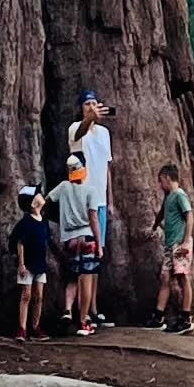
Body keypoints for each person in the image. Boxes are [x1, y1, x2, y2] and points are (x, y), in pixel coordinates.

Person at [49, 148, 102, 333]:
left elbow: (47, 201)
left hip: (70, 240)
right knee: (86, 280)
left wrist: (60, 219)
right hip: (87, 238)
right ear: (83, 169)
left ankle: (68, 311)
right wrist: (99, 243)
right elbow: (93, 217)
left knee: (72, 277)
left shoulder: (63, 187)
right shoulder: (90, 191)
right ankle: (83, 323)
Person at [74, 91, 114, 265]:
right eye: (87, 104)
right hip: (84, 200)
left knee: (98, 252)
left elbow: (107, 167)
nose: (91, 107)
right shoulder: (76, 128)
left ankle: (92, 293)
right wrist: (89, 119)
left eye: (94, 104)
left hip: (101, 201)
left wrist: (110, 200)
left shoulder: (105, 133)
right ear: (81, 109)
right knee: (86, 253)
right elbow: (79, 133)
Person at [156, 167, 194, 331]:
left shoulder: (180, 194)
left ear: (167, 178)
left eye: (160, 181)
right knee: (165, 277)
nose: (160, 185)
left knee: (182, 277)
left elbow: (189, 215)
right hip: (170, 244)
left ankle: (186, 318)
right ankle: (158, 316)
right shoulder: (169, 197)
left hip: (180, 244)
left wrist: (186, 241)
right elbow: (161, 214)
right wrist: (154, 227)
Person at [11, 182, 54, 338]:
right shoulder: (27, 221)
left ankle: (36, 327)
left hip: (40, 264)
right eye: (38, 193)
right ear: (32, 201)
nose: (41, 195)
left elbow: (48, 240)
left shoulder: (44, 220)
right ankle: (22, 328)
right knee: (26, 295)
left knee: (39, 296)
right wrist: (21, 264)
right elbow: (20, 242)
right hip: (27, 264)